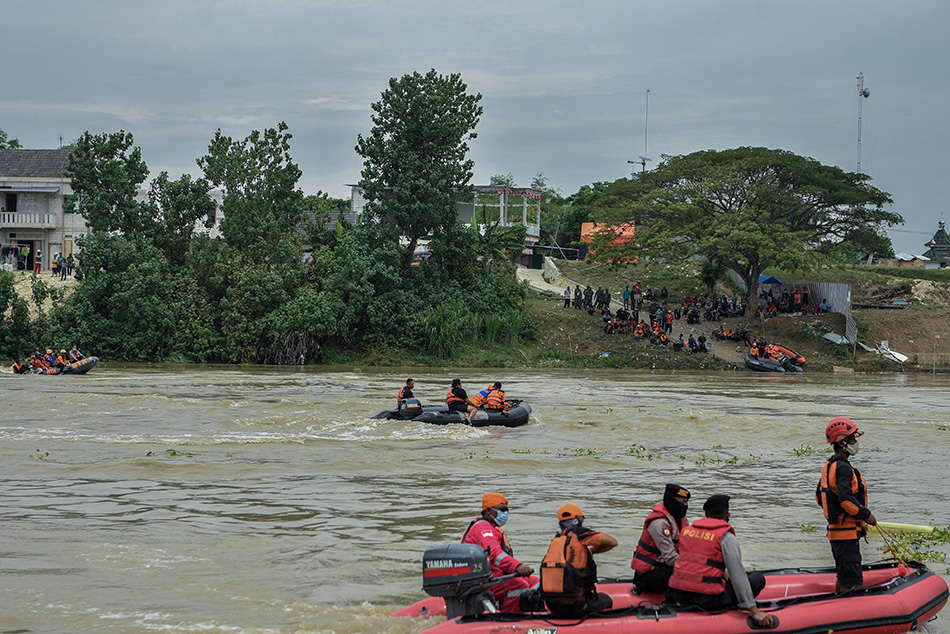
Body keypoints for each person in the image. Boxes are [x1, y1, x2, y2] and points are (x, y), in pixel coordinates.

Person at [666, 495, 774, 628]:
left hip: (678, 595)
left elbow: (696, 562)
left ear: (706, 514)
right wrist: (753, 610)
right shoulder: (726, 537)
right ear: (728, 515)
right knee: (757, 579)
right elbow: (738, 575)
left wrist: (721, 571)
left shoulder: (687, 531)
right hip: (707, 600)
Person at [816, 417, 876, 593]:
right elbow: (846, 500)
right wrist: (866, 515)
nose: (855, 443)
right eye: (852, 439)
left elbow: (819, 496)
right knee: (850, 578)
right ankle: (847, 611)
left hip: (835, 532)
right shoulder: (843, 468)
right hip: (846, 533)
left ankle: (837, 602)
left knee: (843, 575)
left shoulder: (830, 464)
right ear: (842, 442)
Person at [461, 492, 541, 612]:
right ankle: (507, 616)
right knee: (520, 585)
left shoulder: (492, 529)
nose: (505, 513)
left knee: (536, 582)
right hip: (482, 581)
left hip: (495, 577)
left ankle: (537, 612)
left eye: (507, 510)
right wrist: (517, 566)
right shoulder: (483, 529)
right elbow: (495, 554)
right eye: (502, 509)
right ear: (488, 511)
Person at [541, 503, 617, 617]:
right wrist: (592, 551)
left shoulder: (557, 541)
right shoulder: (580, 533)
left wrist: (587, 553)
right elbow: (612, 542)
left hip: (553, 606)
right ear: (579, 519)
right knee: (607, 600)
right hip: (577, 606)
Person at [632, 484, 690, 594]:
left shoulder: (682, 521)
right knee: (686, 575)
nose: (685, 506)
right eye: (682, 502)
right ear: (671, 501)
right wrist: (693, 568)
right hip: (648, 575)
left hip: (664, 570)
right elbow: (670, 558)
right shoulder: (659, 524)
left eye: (686, 502)